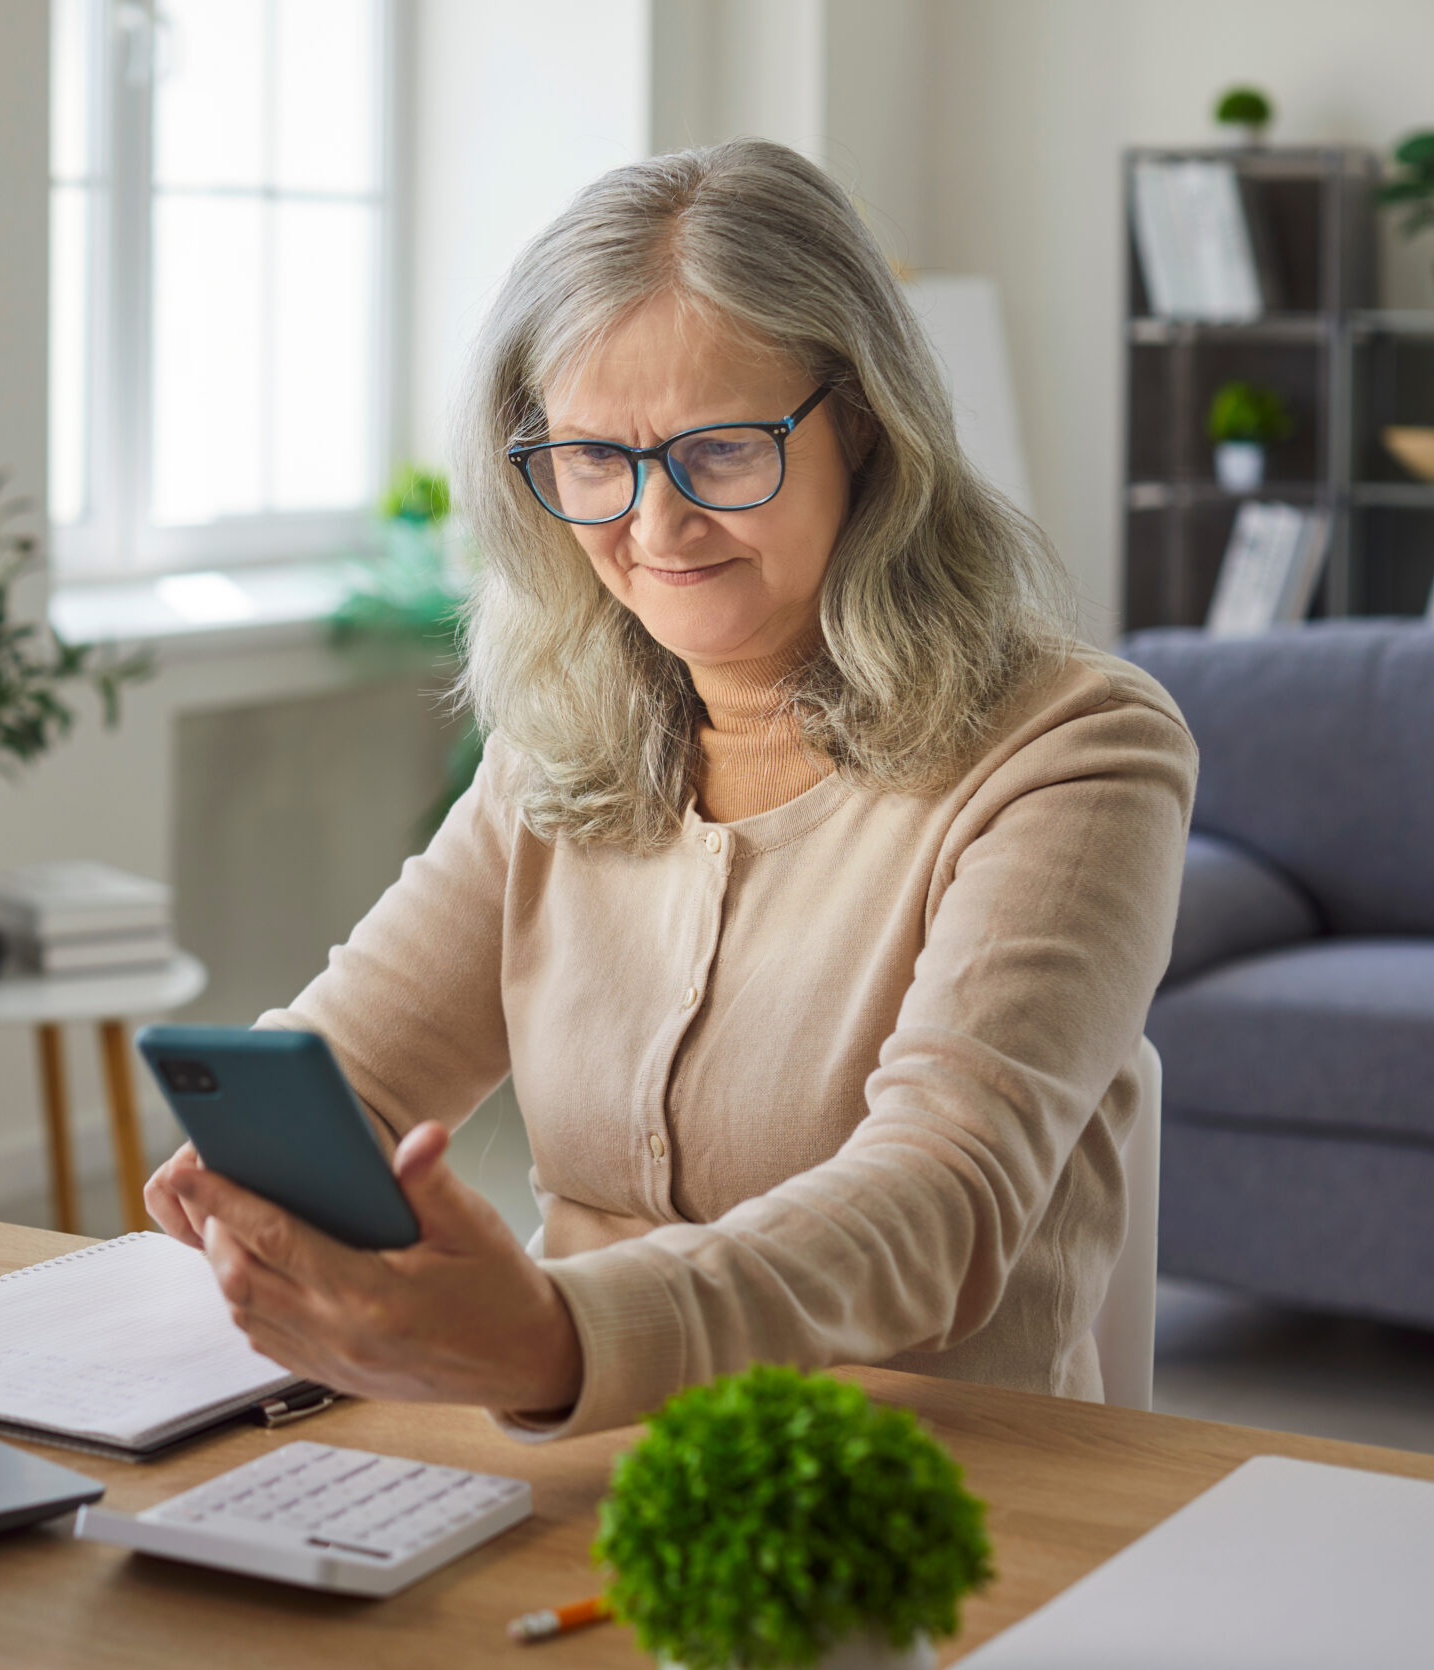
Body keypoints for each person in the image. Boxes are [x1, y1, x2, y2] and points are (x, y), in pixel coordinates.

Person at [143, 139, 1196, 1437]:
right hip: (578, 1466)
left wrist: (556, 1336)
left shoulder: (1077, 750)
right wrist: (259, 1175)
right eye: (593, 457)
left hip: (911, 1504)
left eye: (719, 451)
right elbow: (346, 1073)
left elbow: (938, 1201)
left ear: (862, 427)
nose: (654, 525)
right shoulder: (563, 741)